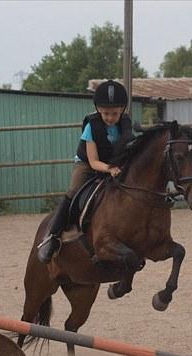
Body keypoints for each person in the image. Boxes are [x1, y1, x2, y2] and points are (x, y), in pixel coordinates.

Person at [37, 79, 133, 264]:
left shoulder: (126, 125)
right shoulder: (91, 127)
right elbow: (94, 161)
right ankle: (52, 236)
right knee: (73, 192)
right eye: (105, 113)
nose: (110, 118)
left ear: (122, 110)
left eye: (114, 113)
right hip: (88, 165)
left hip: (114, 165)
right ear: (98, 110)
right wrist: (110, 169)